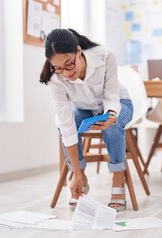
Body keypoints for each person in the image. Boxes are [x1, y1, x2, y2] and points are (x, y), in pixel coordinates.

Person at [39, 29, 133, 212]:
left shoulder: (105, 56)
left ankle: (117, 180)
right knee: (64, 124)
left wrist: (112, 116)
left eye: (69, 64)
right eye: (58, 67)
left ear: (79, 51)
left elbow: (112, 96)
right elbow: (66, 124)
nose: (65, 73)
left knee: (112, 127)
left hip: (119, 102)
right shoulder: (56, 77)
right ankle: (80, 177)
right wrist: (76, 172)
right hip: (86, 109)